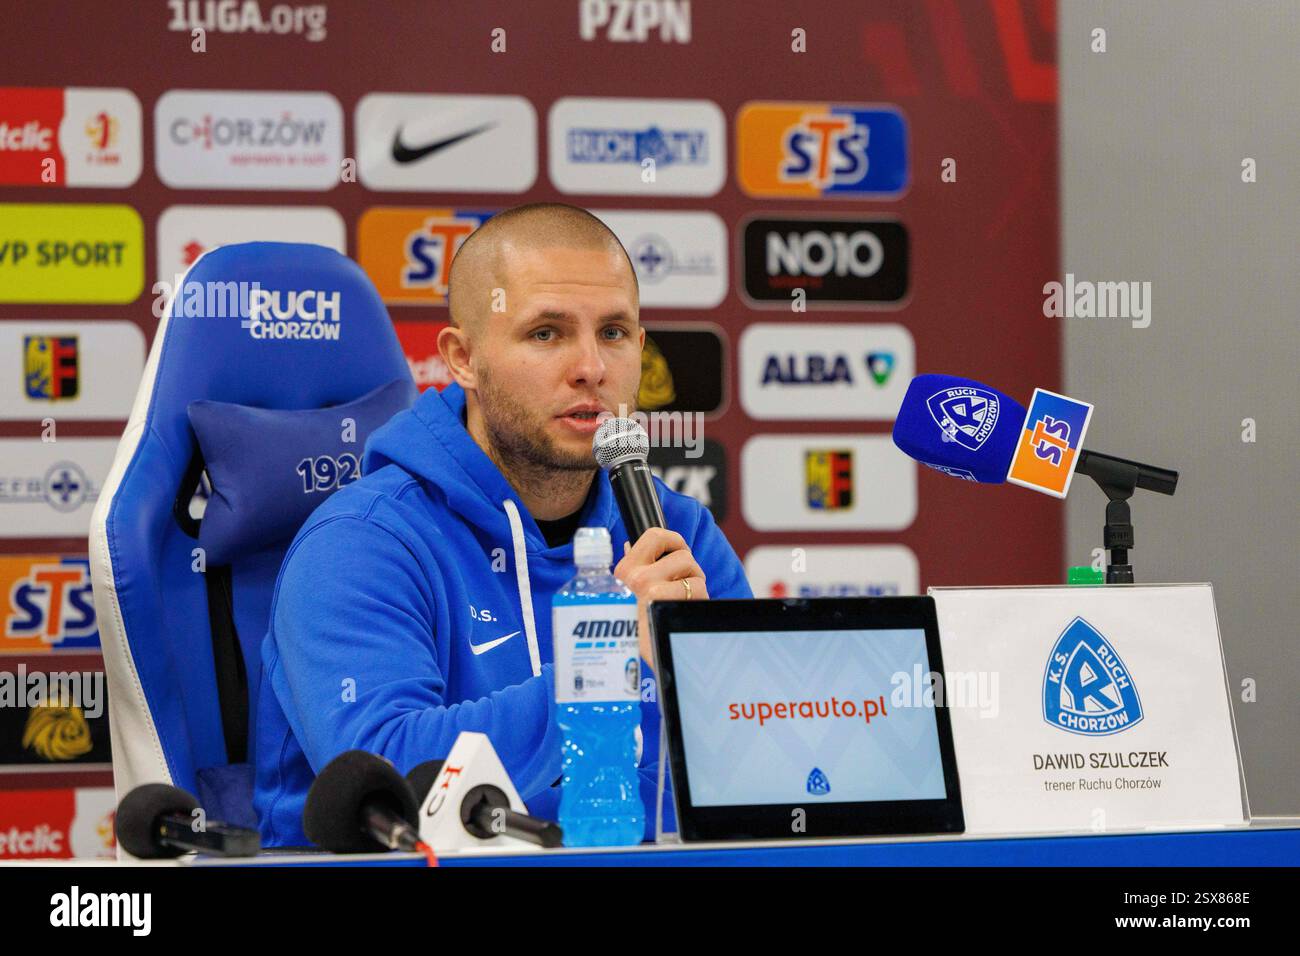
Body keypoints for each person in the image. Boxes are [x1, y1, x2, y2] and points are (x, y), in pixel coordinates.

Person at [253, 203, 752, 847]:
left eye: (613, 332)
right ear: (463, 358)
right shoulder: (359, 543)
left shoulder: (678, 536)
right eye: (546, 333)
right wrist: (604, 655)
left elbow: (756, 755)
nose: (591, 368)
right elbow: (391, 779)